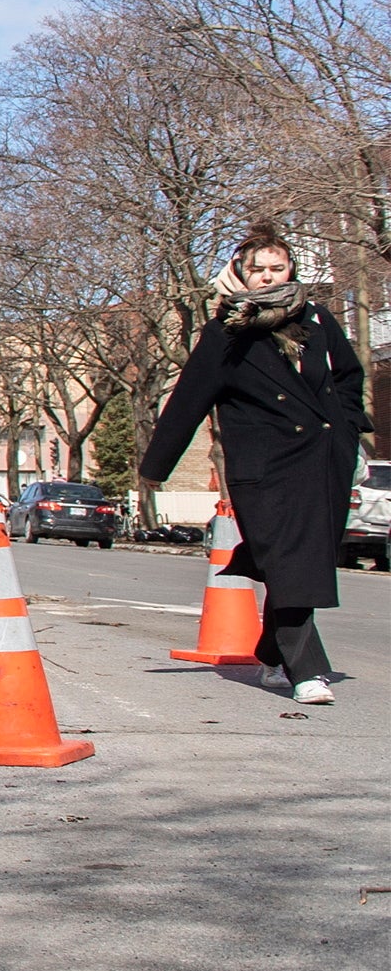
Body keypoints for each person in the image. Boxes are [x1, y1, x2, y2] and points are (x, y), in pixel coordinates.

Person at [139, 225, 371, 704]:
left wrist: (349, 429)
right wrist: (155, 468)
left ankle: (272, 655)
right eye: (257, 270)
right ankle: (307, 671)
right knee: (291, 564)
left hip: (323, 459)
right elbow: (189, 399)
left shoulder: (319, 319)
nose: (267, 277)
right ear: (241, 275)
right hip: (265, 467)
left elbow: (349, 377)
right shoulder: (228, 329)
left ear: (291, 270)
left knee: (305, 564)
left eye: (276, 268)